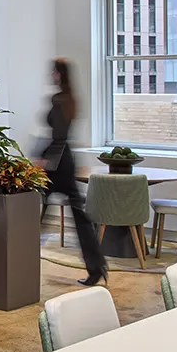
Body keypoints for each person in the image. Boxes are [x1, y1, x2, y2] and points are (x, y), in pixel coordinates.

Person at [41, 59, 107, 287]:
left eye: (53, 72)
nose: (50, 75)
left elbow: (57, 136)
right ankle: (96, 267)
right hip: (66, 159)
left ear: (59, 74)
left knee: (34, 215)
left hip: (57, 162)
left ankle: (20, 266)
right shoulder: (71, 100)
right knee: (79, 216)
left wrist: (43, 159)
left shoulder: (58, 100)